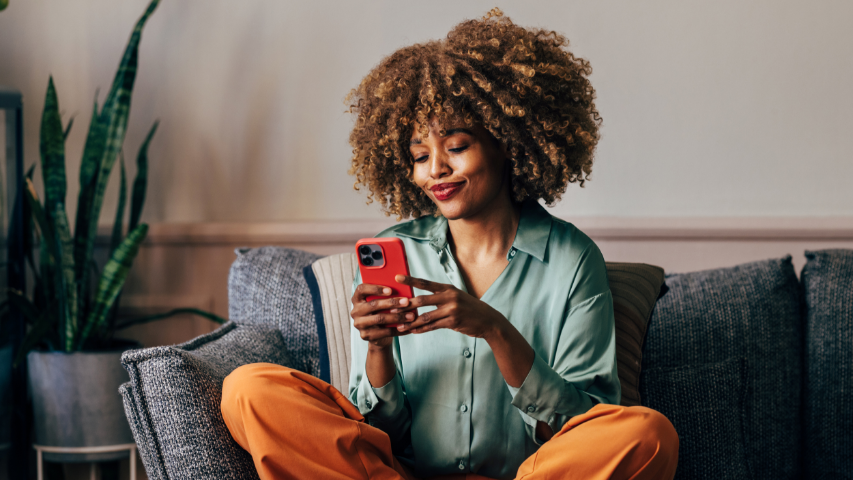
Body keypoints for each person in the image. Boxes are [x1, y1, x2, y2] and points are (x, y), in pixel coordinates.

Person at [221, 8, 678, 480]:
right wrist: (377, 348)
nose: (434, 170)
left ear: (507, 142)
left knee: (647, 434)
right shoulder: (394, 252)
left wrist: (496, 331)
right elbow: (377, 436)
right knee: (248, 389)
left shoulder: (571, 260)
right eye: (420, 156)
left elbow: (587, 428)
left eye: (456, 147)